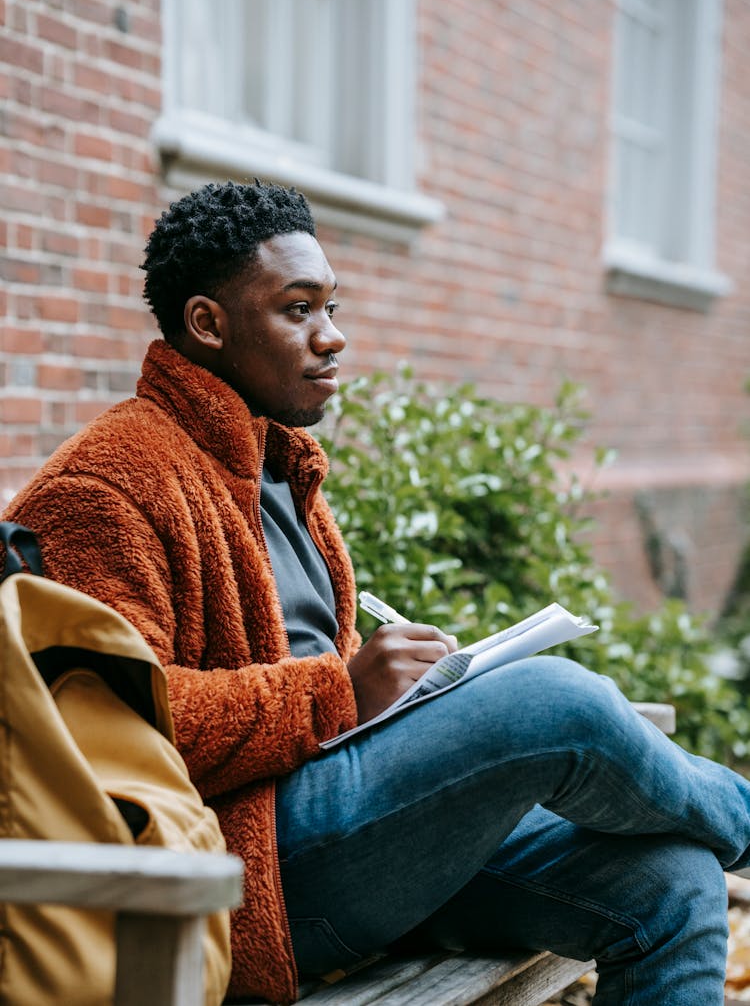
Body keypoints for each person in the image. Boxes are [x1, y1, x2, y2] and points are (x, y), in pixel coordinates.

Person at [5, 179, 750, 1006]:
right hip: (241, 868)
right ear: (208, 324)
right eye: (299, 310)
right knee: (552, 703)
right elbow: (104, 730)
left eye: (332, 306)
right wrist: (342, 689)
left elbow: (307, 666)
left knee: (675, 883)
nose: (334, 337)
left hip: (356, 830)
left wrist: (403, 688)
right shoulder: (103, 486)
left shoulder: (273, 464)